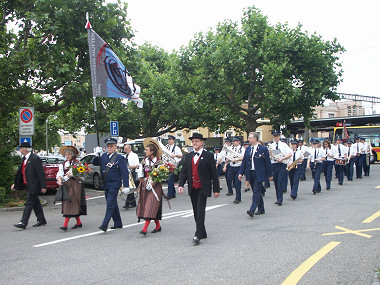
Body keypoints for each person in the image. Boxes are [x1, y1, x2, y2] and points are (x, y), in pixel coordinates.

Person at [178, 133, 220, 245]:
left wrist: (216, 189)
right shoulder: (189, 156)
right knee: (195, 211)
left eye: (197, 141)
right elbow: (184, 172)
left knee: (200, 210)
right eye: (193, 141)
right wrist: (181, 184)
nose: (194, 143)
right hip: (193, 187)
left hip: (203, 187)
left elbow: (214, 174)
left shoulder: (208, 156)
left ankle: (198, 234)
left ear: (202, 142)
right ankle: (203, 232)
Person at [93, 138, 129, 232]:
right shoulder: (104, 156)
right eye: (108, 146)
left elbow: (125, 172)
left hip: (115, 183)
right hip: (106, 183)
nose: (109, 148)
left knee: (110, 204)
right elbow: (95, 163)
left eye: (111, 146)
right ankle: (118, 223)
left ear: (115, 147)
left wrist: (126, 185)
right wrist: (97, 155)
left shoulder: (120, 157)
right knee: (112, 204)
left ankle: (104, 224)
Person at [12, 142, 47, 229]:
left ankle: (23, 222)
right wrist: (15, 184)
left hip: (34, 185)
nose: (19, 150)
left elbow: (41, 173)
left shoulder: (35, 158)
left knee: (29, 202)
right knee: (35, 203)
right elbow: (20, 173)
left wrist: (43, 186)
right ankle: (41, 219)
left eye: (20, 148)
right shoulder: (24, 158)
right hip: (27, 184)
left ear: (25, 149)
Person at [238, 132, 273, 218]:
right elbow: (244, 162)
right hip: (250, 172)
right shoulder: (248, 149)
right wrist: (240, 173)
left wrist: (270, 174)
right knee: (255, 190)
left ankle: (252, 209)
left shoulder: (263, 149)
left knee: (256, 191)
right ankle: (261, 208)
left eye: (250, 138)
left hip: (259, 173)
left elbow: (267, 163)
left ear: (255, 139)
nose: (248, 139)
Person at [136, 138, 165, 235]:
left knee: (151, 205)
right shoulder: (144, 161)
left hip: (155, 187)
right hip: (145, 185)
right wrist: (140, 186)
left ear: (152, 151)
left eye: (147, 150)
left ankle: (144, 229)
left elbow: (162, 175)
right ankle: (158, 226)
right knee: (148, 205)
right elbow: (141, 174)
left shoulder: (159, 162)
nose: (145, 151)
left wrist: (154, 182)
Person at [56, 146, 87, 231]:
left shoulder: (77, 163)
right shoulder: (63, 164)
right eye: (66, 154)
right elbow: (60, 174)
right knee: (70, 202)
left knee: (71, 202)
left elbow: (82, 174)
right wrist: (59, 179)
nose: (67, 155)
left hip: (75, 185)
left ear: (72, 155)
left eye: (69, 154)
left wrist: (74, 174)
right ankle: (78, 222)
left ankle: (65, 224)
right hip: (66, 185)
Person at [268, 131, 292, 206]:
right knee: (275, 182)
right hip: (274, 164)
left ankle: (280, 199)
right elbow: (269, 155)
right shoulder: (271, 145)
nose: (275, 138)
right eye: (274, 136)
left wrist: (283, 158)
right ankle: (278, 197)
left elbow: (290, 154)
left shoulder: (284, 145)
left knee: (280, 182)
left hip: (282, 164)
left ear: (279, 136)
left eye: (277, 136)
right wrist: (271, 155)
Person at [223, 137, 245, 204]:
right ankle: (231, 191)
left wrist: (236, 160)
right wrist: (226, 164)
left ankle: (238, 198)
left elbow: (243, 157)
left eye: (235, 141)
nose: (233, 142)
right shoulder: (231, 149)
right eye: (233, 141)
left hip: (238, 166)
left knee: (237, 182)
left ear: (238, 142)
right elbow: (228, 156)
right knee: (229, 179)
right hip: (232, 166)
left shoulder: (242, 149)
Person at [123, 144, 140, 209]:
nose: (125, 150)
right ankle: (133, 203)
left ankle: (127, 204)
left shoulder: (134, 155)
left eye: (126, 149)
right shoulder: (125, 156)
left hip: (132, 172)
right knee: (131, 188)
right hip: (127, 173)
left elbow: (137, 165)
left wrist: (130, 167)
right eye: (125, 149)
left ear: (130, 149)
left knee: (130, 187)